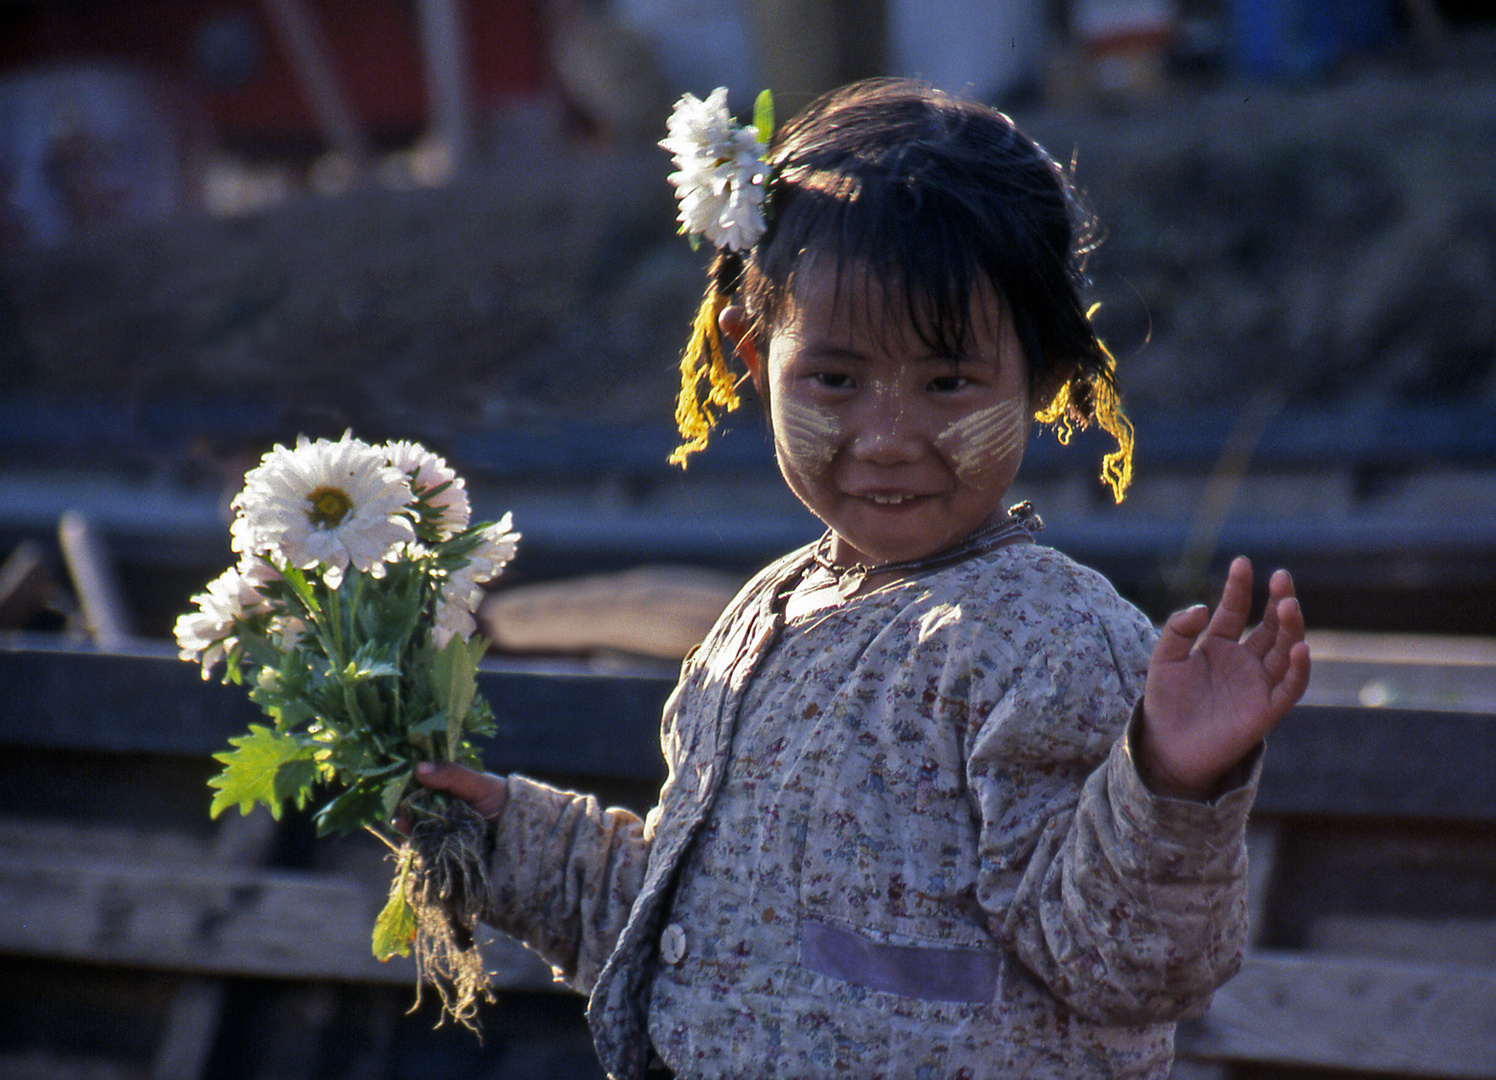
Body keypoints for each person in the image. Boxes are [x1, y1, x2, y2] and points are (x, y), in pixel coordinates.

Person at [415, 79, 1310, 1079]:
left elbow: (1127, 966)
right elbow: (688, 927)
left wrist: (1170, 784)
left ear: (1045, 375)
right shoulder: (762, 618)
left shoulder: (1045, 641)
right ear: (756, 360)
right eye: (834, 380)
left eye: (946, 384)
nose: (887, 439)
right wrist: (502, 836)